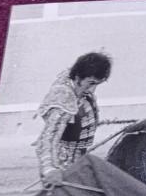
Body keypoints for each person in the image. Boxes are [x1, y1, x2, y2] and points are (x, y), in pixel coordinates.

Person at [33, 51, 112, 188]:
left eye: (97, 84)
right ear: (77, 77)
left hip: (78, 162)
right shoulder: (63, 97)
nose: (92, 90)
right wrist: (50, 170)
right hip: (60, 168)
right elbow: (47, 138)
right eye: (91, 83)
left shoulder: (77, 82)